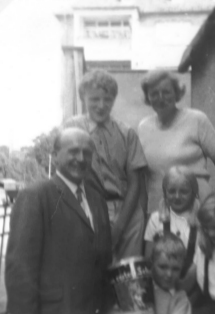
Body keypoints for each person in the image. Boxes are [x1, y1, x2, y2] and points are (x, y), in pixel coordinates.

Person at [5, 128, 112, 314]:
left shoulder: (97, 199)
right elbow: (20, 270)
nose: (81, 158)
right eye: (73, 151)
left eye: (87, 153)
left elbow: (102, 261)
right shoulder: (35, 196)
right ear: (55, 156)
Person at [63, 69, 147, 261]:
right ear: (83, 98)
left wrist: (120, 226)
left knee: (128, 276)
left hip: (127, 210)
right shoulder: (72, 128)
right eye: (94, 99)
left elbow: (135, 182)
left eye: (107, 99)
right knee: (93, 273)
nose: (101, 106)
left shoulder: (127, 133)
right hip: (90, 209)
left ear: (114, 100)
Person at [138, 70, 215, 214]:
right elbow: (142, 177)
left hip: (198, 207)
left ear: (176, 93)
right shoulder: (143, 127)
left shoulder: (197, 120)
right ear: (147, 97)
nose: (161, 98)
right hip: (160, 210)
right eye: (154, 93)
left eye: (166, 92)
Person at [144, 166, 199, 277]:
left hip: (192, 279)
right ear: (165, 193)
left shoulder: (201, 220)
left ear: (193, 193)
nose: (177, 196)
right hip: (162, 280)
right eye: (172, 191)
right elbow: (148, 258)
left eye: (184, 192)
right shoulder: (156, 219)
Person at [151, 233, 192, 314]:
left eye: (176, 269)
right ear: (152, 263)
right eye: (163, 267)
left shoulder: (181, 300)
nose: (169, 274)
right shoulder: (141, 289)